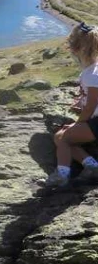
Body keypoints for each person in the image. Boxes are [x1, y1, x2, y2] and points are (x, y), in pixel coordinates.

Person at [46, 22, 98, 188]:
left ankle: (62, 176)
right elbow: (91, 99)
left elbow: (91, 106)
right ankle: (92, 166)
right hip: (94, 120)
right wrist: (81, 102)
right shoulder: (91, 70)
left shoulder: (93, 74)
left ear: (77, 49)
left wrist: (78, 123)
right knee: (59, 137)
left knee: (66, 137)